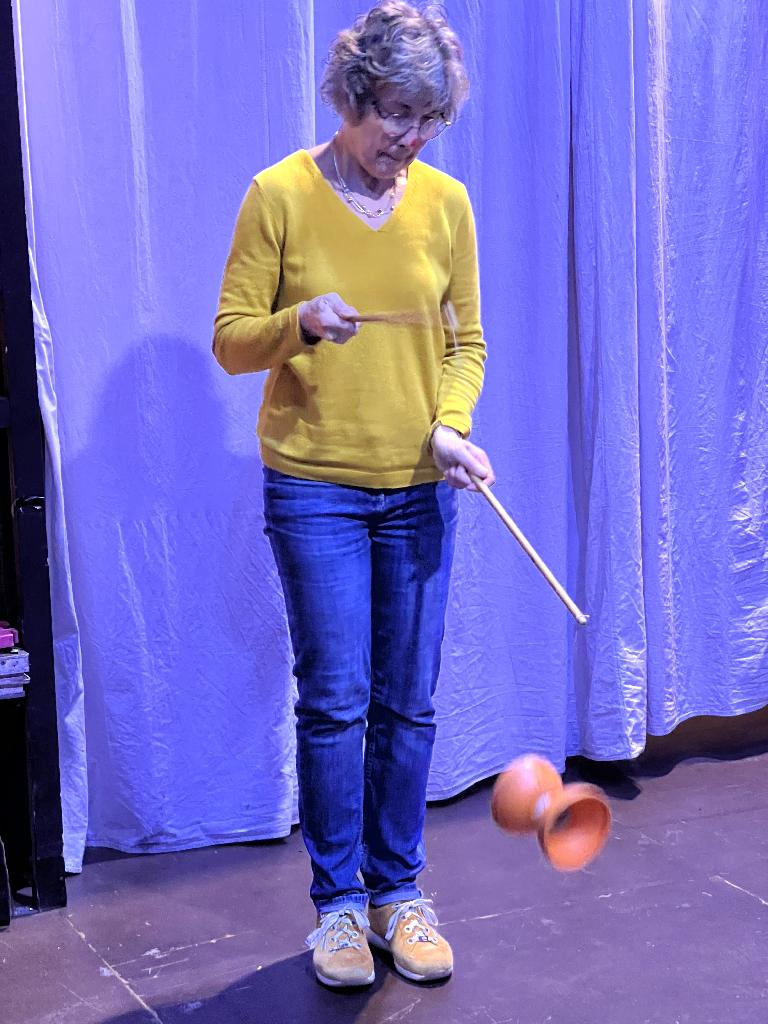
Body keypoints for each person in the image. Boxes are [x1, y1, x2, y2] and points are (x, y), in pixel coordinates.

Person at [213, 0, 495, 989]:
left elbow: (466, 342)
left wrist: (450, 423)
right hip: (316, 489)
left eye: (429, 119)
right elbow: (232, 339)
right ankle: (337, 907)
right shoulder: (279, 194)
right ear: (351, 97)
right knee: (336, 701)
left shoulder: (447, 204)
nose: (409, 139)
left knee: (408, 703)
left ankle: (396, 893)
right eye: (395, 116)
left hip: (419, 488)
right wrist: (299, 321)